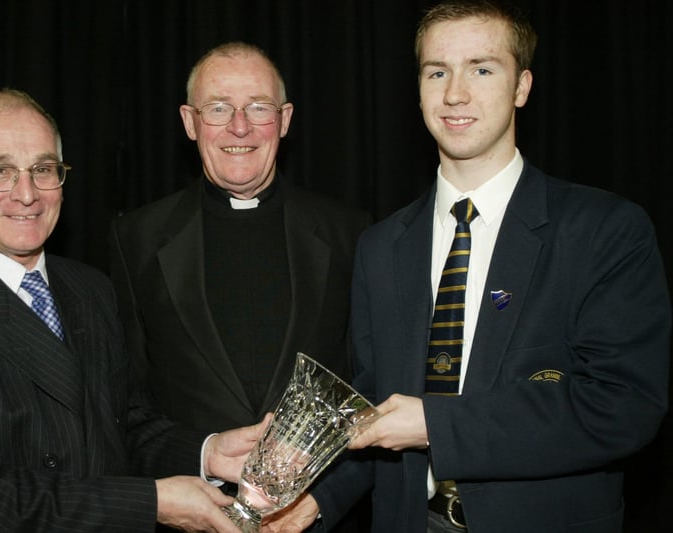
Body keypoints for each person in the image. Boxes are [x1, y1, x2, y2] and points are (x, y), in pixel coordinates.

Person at [263, 1, 671, 532]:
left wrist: (435, 424)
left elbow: (624, 405)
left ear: (522, 86)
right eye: (437, 72)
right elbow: (375, 408)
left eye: (481, 68)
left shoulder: (603, 231)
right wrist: (316, 500)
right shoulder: (381, 247)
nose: (455, 93)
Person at [0, 88, 270, 532]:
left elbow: (122, 427)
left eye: (43, 170)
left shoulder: (89, 288)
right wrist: (149, 501)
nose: (26, 194)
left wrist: (207, 452)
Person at [108, 41, 371, 532]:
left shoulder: (351, 235)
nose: (240, 127)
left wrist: (324, 499)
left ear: (286, 119)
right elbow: (124, 407)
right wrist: (204, 454)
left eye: (258, 107)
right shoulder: (136, 240)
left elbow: (373, 395)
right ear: (189, 122)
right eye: (218, 108)